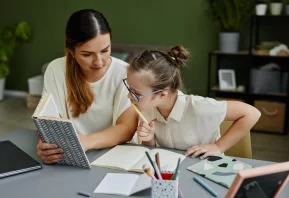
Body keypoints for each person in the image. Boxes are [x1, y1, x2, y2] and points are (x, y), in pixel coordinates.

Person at [36, 9, 138, 164]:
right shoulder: (55, 70)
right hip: (70, 157)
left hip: (113, 157)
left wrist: (85, 142)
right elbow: (50, 121)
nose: (98, 61)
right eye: (87, 54)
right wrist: (47, 146)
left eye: (105, 50)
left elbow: (127, 128)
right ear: (71, 51)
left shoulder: (125, 73)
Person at [124, 45, 261, 159]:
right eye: (129, 88)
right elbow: (156, 152)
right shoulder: (146, 107)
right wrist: (149, 139)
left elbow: (252, 113)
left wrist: (219, 146)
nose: (129, 95)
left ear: (162, 95)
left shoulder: (200, 107)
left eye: (136, 93)